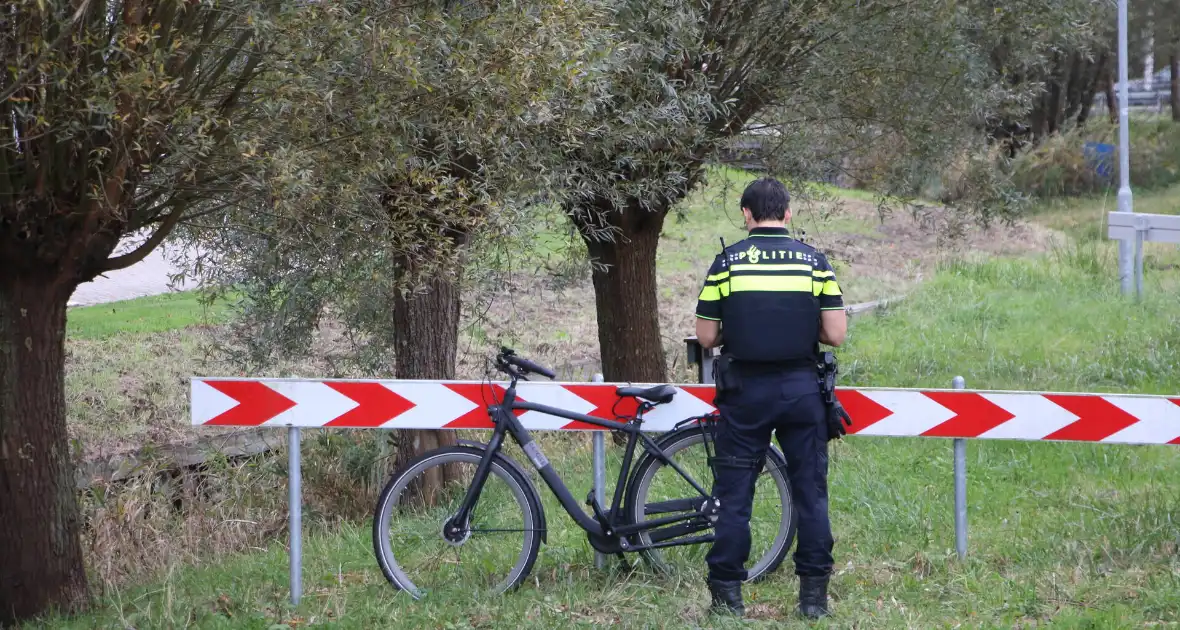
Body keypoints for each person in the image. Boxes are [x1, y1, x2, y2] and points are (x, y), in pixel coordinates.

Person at [694, 177, 848, 619]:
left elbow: (706, 336)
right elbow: (835, 334)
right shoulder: (814, 262)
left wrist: (734, 329)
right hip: (802, 392)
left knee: (735, 497)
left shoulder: (727, 261)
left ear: (746, 215)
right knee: (811, 495)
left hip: (745, 394)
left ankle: (727, 599)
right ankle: (813, 602)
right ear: (788, 213)